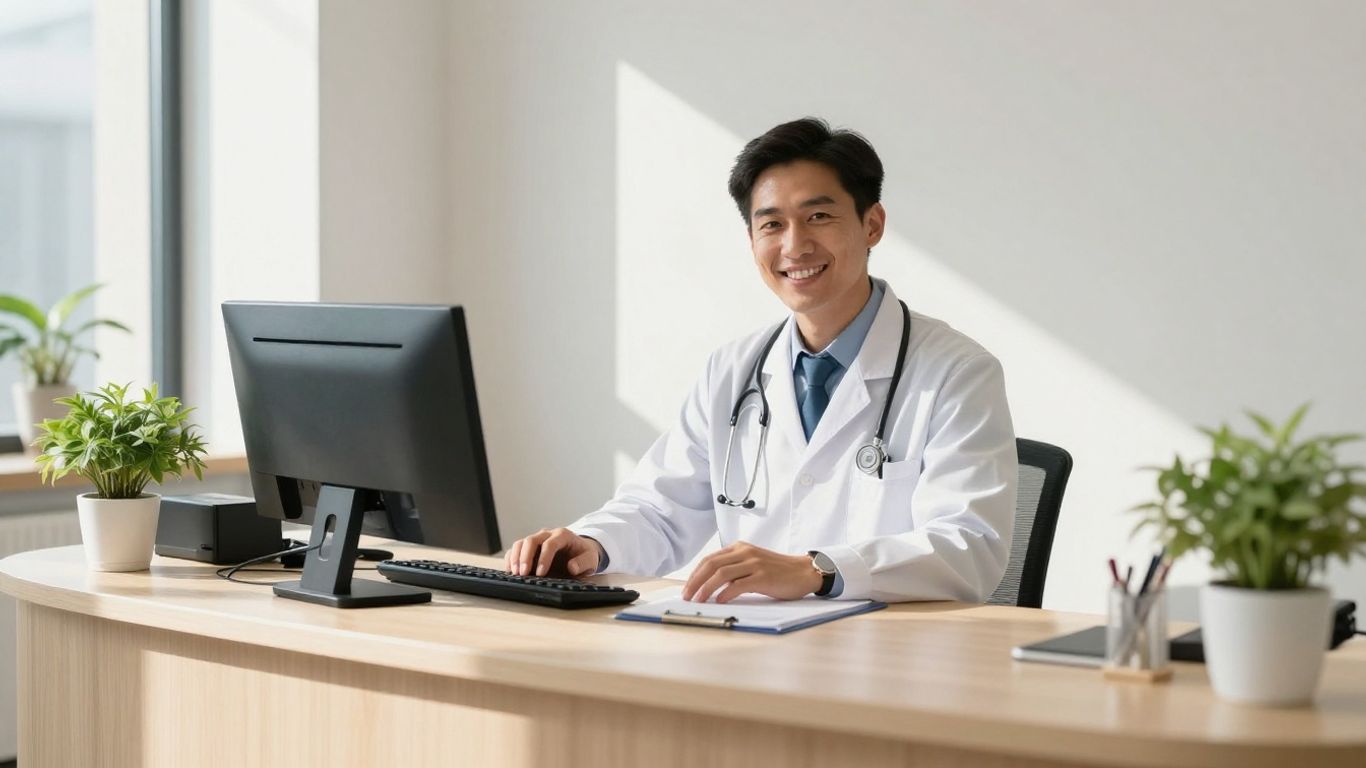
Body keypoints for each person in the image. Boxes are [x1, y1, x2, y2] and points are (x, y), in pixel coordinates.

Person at [505, 117, 1017, 604]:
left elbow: (968, 546)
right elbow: (661, 509)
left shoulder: (956, 372)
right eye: (772, 224)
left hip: (888, 658)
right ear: (752, 241)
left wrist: (817, 571)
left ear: (872, 224)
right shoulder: (732, 371)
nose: (795, 245)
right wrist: (591, 545)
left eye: (818, 216)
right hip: (752, 649)